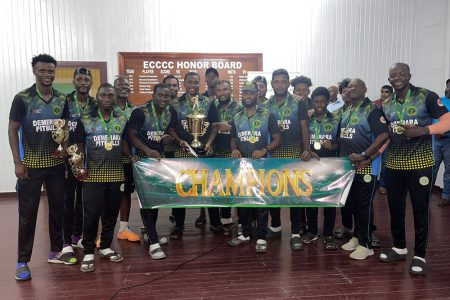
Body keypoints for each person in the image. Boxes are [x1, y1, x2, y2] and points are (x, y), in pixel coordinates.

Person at [9, 54, 77, 281]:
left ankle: (56, 250)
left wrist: (71, 155)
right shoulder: (23, 98)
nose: (47, 74)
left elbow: (64, 132)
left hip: (57, 165)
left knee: (58, 210)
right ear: (35, 72)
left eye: (51, 71)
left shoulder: (61, 99)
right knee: (28, 214)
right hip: (31, 166)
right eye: (43, 70)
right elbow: (12, 130)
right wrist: (18, 162)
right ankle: (22, 261)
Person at [379, 63, 450, 275]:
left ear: (409, 76)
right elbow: (387, 135)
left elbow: (447, 121)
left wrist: (423, 131)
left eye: (401, 74)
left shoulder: (426, 96)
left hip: (420, 165)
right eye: (393, 75)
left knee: (420, 210)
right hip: (393, 165)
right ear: (389, 79)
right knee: (396, 209)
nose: (397, 77)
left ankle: (419, 255)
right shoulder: (387, 103)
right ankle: (399, 247)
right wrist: (370, 156)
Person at [167, 72, 230, 239]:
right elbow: (170, 127)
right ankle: (178, 226)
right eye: (190, 82)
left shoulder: (209, 103)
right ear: (184, 84)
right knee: (181, 188)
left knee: (209, 188)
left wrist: (208, 144)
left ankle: (215, 223)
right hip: (182, 151)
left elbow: (215, 126)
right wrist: (181, 142)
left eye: (196, 82)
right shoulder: (175, 104)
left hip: (205, 152)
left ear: (199, 83)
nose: (193, 85)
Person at [76, 83, 129, 272]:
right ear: (97, 97)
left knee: (111, 215)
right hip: (93, 175)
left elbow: (123, 141)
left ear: (115, 98)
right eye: (103, 95)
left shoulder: (122, 118)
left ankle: (105, 245)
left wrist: (132, 157)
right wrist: (79, 165)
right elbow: (80, 144)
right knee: (90, 216)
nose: (107, 98)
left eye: (111, 95)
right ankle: (89, 250)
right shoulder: (86, 119)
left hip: (116, 175)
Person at [227, 81, 281, 252]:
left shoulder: (267, 115)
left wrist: (265, 149)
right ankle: (245, 233)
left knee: (261, 201)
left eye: (251, 93)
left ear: (257, 94)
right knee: (243, 201)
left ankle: (262, 236)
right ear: (241, 95)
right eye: (245, 93)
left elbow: (277, 138)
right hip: (243, 166)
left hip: (262, 165)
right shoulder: (236, 116)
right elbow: (233, 138)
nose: (248, 96)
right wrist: (234, 149)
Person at [127, 83, 179, 260]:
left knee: (154, 199)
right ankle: (154, 243)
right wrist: (146, 150)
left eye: (168, 96)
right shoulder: (140, 112)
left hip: (158, 160)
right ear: (153, 94)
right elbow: (131, 135)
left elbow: (171, 130)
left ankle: (150, 234)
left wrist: (181, 142)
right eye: (161, 95)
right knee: (146, 200)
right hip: (142, 160)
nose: (164, 99)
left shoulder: (170, 111)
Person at [264, 69, 314, 250]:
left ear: (287, 83)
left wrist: (306, 148)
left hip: (294, 153)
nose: (279, 85)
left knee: (295, 194)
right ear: (272, 84)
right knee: (274, 192)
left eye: (283, 81)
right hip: (274, 155)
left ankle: (295, 233)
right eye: (276, 82)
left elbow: (304, 127)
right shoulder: (266, 104)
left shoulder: (298, 103)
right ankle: (276, 226)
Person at [339, 78, 389, 260]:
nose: (351, 89)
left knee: (364, 206)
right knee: (352, 204)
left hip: (366, 167)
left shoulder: (372, 110)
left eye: (356, 86)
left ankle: (366, 244)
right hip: (349, 166)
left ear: (365, 89)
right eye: (349, 87)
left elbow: (384, 135)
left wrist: (365, 155)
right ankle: (356, 236)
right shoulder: (348, 109)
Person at [64, 67, 96, 250]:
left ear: (91, 82)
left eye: (86, 79)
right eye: (80, 79)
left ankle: (78, 234)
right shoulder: (65, 101)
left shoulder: (95, 104)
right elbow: (58, 130)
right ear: (74, 81)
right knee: (68, 198)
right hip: (69, 157)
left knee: (84, 199)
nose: (83, 82)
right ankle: (66, 239)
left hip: (90, 157)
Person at [304, 87, 339, 250]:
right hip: (310, 166)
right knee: (311, 199)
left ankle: (328, 233)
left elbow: (341, 141)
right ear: (312, 102)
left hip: (329, 165)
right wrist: (307, 150)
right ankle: (312, 231)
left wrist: (333, 146)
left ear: (327, 102)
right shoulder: (306, 119)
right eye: (316, 101)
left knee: (329, 201)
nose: (319, 104)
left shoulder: (336, 119)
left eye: (322, 101)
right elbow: (300, 140)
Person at [114, 76, 140, 243]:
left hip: (127, 158)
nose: (124, 87)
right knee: (106, 196)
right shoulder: (106, 107)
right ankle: (105, 231)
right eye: (120, 84)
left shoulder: (134, 110)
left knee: (126, 193)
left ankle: (123, 228)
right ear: (114, 88)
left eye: (126, 85)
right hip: (108, 159)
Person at [213, 80, 243, 226]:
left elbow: (245, 128)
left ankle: (243, 221)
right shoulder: (213, 106)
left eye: (225, 90)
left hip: (234, 152)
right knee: (221, 186)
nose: (222, 93)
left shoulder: (239, 107)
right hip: (217, 152)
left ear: (231, 91)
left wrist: (230, 128)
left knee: (237, 187)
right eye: (219, 90)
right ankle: (225, 218)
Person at [333, 78, 353, 240]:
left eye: (350, 90)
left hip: (363, 161)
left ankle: (368, 231)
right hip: (342, 160)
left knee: (363, 200)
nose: (347, 93)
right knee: (345, 195)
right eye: (344, 91)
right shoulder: (337, 113)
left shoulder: (366, 109)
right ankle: (347, 227)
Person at [433, 79, 450, 206]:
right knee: (431, 168)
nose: (448, 89)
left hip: (448, 141)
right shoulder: (440, 101)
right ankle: (425, 192)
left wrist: (443, 130)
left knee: (449, 170)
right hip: (435, 140)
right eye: (448, 86)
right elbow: (433, 118)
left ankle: (446, 196)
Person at [374, 85, 393, 194]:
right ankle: (372, 181)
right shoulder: (374, 104)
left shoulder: (393, 105)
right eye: (382, 91)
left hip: (388, 138)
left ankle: (383, 184)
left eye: (386, 92)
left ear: (391, 94)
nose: (383, 94)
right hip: (375, 138)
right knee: (374, 160)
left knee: (385, 162)